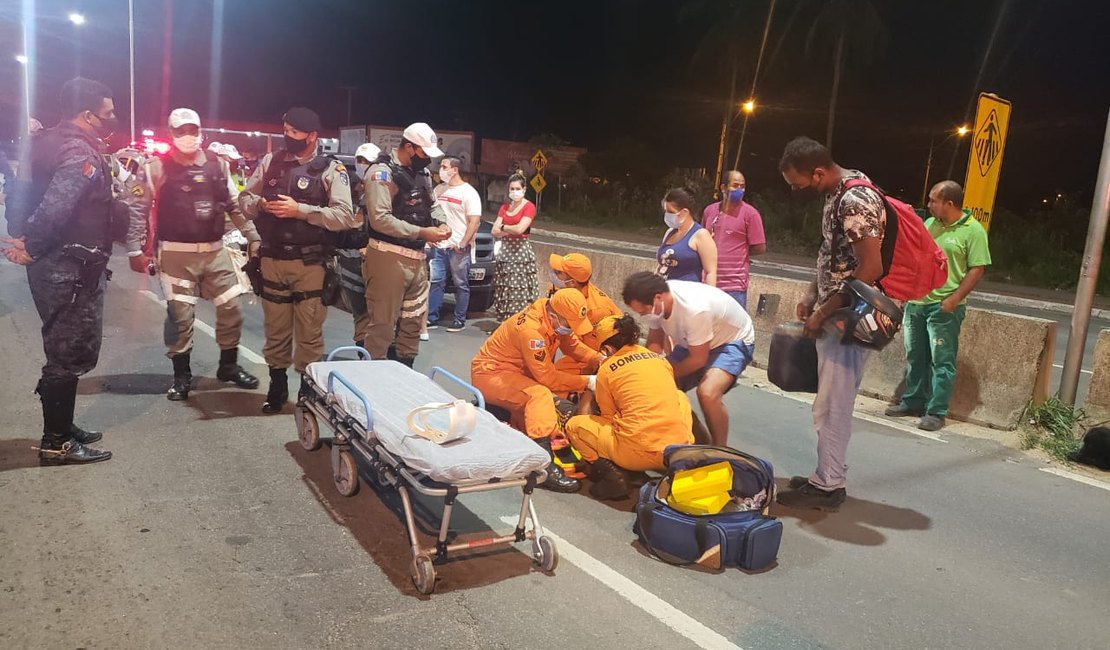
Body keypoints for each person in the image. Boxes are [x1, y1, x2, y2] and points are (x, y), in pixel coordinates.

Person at [0, 77, 120, 465]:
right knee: (69, 350)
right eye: (108, 113)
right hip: (70, 266)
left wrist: (19, 232)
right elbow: (56, 205)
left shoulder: (42, 141)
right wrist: (30, 246)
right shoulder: (77, 152)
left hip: (60, 263)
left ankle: (64, 426)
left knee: (62, 345)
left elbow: (18, 193)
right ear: (87, 114)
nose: (112, 118)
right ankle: (57, 441)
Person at [776, 136, 888, 512]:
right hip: (835, 312)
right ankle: (825, 473)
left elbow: (870, 269)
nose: (795, 191)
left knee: (833, 404)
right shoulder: (836, 194)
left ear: (818, 172)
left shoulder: (855, 200)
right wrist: (812, 296)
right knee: (828, 401)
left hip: (850, 319)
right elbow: (832, 254)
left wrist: (825, 311)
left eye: (797, 184)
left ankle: (828, 485)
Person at [123, 108, 261, 401]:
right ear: (171, 134)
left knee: (232, 308)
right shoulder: (154, 168)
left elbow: (234, 205)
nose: (187, 136)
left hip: (215, 251)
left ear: (201, 132)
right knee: (180, 315)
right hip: (175, 254)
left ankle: (228, 366)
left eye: (192, 130)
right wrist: (135, 249)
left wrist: (253, 236)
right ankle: (181, 376)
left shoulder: (218, 166)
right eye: (180, 131)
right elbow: (138, 208)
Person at [238, 107, 357, 413]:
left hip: (311, 265)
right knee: (275, 329)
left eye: (294, 132)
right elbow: (244, 200)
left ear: (312, 136)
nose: (287, 137)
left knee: (309, 333)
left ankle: (307, 390)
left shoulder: (331, 169)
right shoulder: (270, 162)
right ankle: (277, 387)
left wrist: (300, 211)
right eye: (286, 130)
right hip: (273, 259)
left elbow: (345, 216)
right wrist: (262, 204)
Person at [471, 288, 601, 492]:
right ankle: (543, 467)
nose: (571, 329)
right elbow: (548, 378)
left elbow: (571, 345)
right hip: (492, 375)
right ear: (555, 316)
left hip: (517, 375)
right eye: (569, 324)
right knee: (539, 395)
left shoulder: (553, 317)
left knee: (557, 407)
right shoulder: (531, 331)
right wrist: (588, 382)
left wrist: (599, 359)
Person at [886, 180, 991, 432]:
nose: (930, 204)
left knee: (941, 361)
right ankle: (912, 401)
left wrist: (954, 299)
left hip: (944, 306)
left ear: (949, 203)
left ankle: (937, 411)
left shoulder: (973, 230)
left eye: (934, 200)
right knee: (915, 356)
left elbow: (978, 268)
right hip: (917, 302)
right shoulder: (930, 225)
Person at [565, 315, 695, 499]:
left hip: (635, 453)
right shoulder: (660, 360)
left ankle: (612, 474)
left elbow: (607, 418)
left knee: (575, 426)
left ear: (607, 348)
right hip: (674, 451)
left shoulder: (607, 368)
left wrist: (588, 393)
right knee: (679, 396)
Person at [622, 272, 754, 449]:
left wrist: (663, 373)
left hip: (731, 341)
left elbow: (698, 359)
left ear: (658, 298)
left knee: (707, 393)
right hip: (692, 342)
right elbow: (654, 343)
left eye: (644, 311)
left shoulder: (695, 310)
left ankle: (720, 450)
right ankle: (699, 443)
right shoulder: (656, 305)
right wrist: (646, 371)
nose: (643, 315)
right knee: (659, 388)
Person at [361, 122, 451, 365]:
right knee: (382, 325)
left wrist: (442, 224)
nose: (427, 160)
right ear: (409, 147)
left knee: (412, 322)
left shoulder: (422, 175)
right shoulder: (381, 173)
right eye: (424, 153)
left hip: (417, 260)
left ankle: (404, 373)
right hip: (388, 257)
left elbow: (432, 205)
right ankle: (372, 381)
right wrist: (423, 232)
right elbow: (380, 219)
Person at [427, 155, 482, 333]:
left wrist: (463, 243)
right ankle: (432, 317)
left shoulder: (469, 193)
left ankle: (459, 319)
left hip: (458, 248)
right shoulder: (439, 190)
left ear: (455, 170)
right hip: (439, 246)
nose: (441, 170)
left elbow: (474, 221)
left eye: (444, 167)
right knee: (436, 282)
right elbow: (431, 214)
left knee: (461, 284)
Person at [334, 141, 380, 349]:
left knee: (377, 315)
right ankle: (363, 354)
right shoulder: (349, 185)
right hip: (350, 260)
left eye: (367, 161)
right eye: (360, 161)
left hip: (375, 260)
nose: (363, 165)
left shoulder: (383, 188)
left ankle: (375, 356)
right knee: (360, 312)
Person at [547, 252, 621, 374]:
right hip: (578, 346)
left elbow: (595, 352)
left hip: (599, 354)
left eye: (559, 273)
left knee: (557, 376)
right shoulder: (559, 289)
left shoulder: (597, 309)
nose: (554, 273)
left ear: (572, 282)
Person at [703, 170, 766, 310]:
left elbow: (760, 247)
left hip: (734, 287)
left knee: (732, 330)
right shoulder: (709, 211)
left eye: (742, 186)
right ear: (723, 188)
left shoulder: (750, 214)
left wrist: (738, 252)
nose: (739, 190)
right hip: (708, 283)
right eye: (735, 185)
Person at [491, 173, 538, 321]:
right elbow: (494, 231)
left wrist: (504, 227)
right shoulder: (505, 207)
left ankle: (519, 321)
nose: (514, 191)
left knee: (520, 288)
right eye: (512, 188)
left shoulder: (529, 207)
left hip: (520, 253)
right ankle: (504, 322)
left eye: (518, 188)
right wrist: (510, 228)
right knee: (505, 287)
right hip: (505, 252)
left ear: (524, 189)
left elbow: (520, 229)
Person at [656, 187, 717, 286]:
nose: (667, 215)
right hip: (665, 292)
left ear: (684, 212)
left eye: (671, 212)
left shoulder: (701, 235)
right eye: (666, 212)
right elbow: (661, 265)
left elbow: (710, 272)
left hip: (687, 294)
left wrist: (709, 298)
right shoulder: (670, 233)